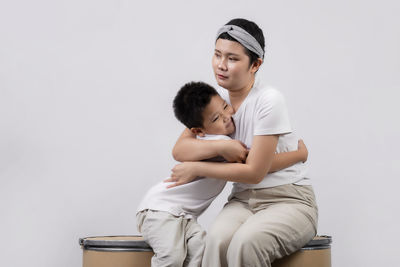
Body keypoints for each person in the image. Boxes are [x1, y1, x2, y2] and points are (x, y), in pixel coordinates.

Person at [169, 19, 318, 267]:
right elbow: (180, 150)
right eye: (217, 55)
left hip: (290, 200)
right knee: (214, 242)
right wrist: (222, 147)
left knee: (246, 243)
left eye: (232, 58)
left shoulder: (270, 100)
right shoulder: (215, 100)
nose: (221, 65)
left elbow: (254, 172)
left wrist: (198, 167)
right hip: (243, 200)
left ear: (255, 64)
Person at [137, 81, 309, 267]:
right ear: (198, 131)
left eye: (226, 107)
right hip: (160, 210)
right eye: (215, 119)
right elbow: (258, 166)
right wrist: (299, 154)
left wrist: (198, 165)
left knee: (200, 248)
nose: (227, 117)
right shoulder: (224, 143)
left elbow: (257, 165)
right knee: (172, 257)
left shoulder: (213, 136)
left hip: (182, 215)